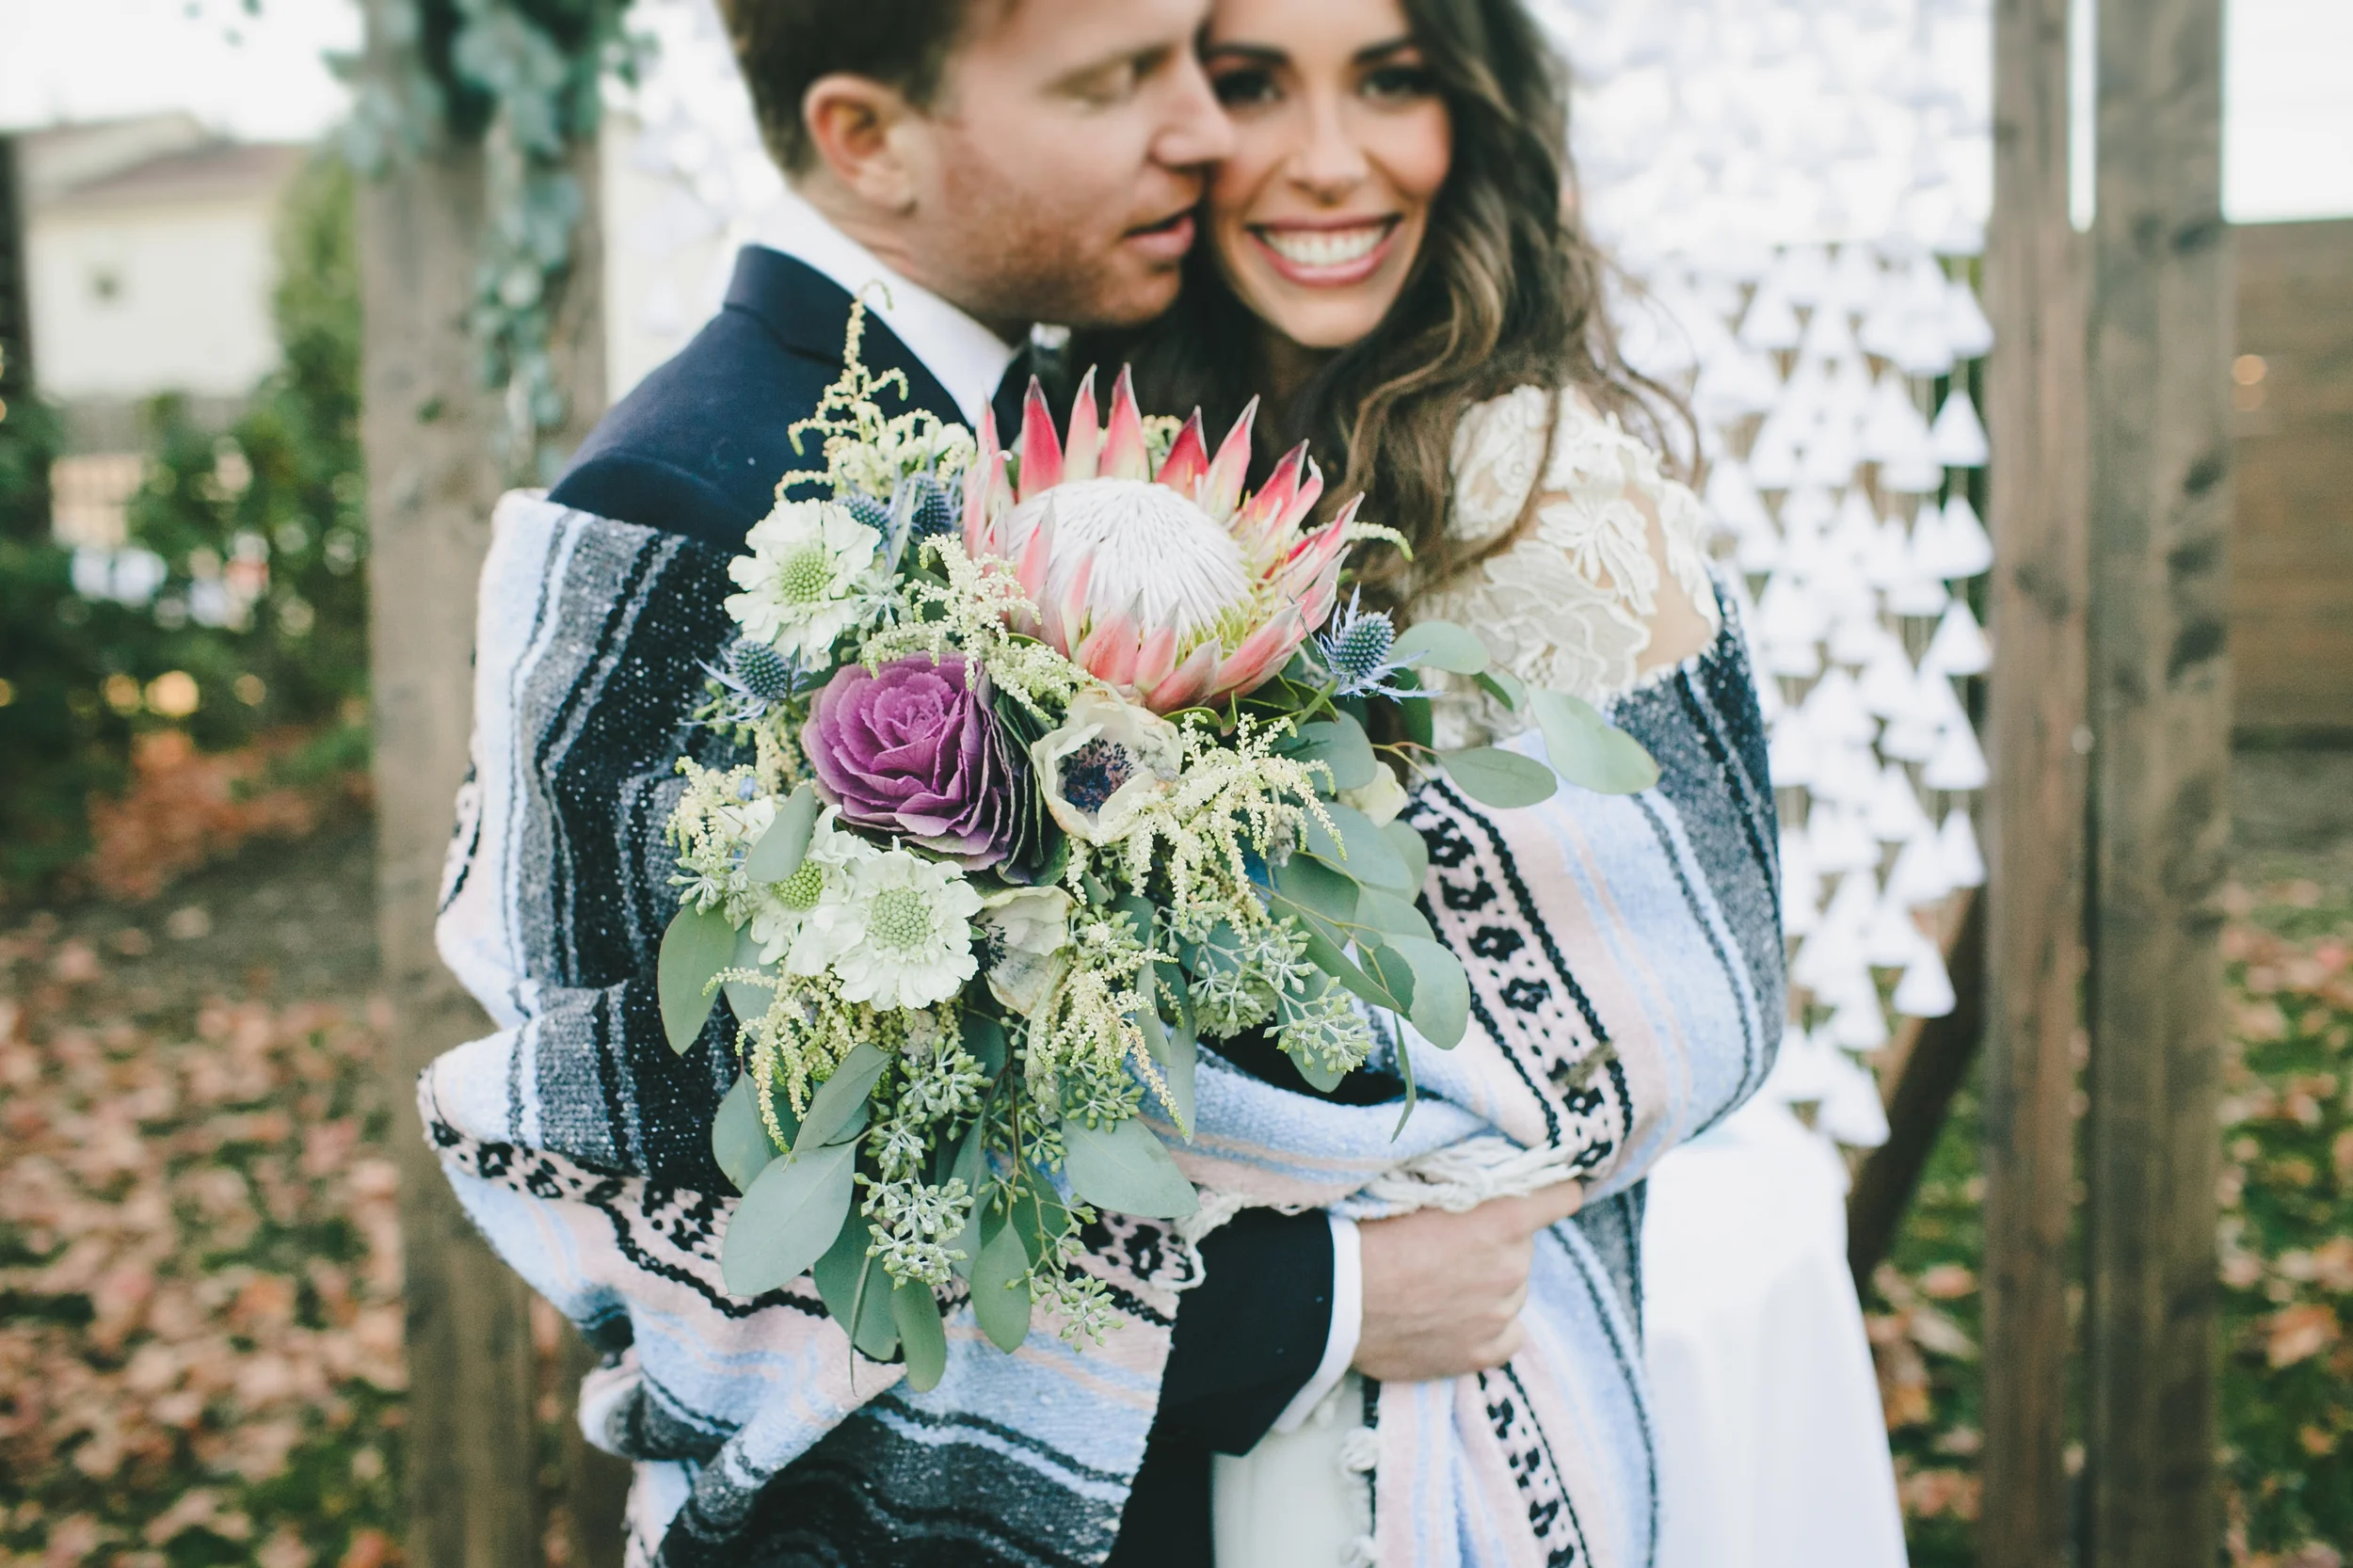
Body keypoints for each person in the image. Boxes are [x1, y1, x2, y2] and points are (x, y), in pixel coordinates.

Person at [427, 0, 1658, 1561]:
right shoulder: (683, 499)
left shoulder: (1068, 426)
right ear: (866, 139)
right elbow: (663, 1202)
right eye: (1115, 82)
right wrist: (1320, 1306)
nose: (1207, 131)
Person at [1094, 0, 1782, 1558]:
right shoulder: (1101, 450)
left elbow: (1670, 1010)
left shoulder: (1542, 499)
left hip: (1421, 1403)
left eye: (1391, 82)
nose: (1328, 164)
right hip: (1147, 1389)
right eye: (1253, 84)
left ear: (1471, 116)